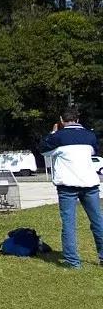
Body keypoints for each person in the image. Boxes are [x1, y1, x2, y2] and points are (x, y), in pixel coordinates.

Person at [40, 106, 103, 268]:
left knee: (69, 223)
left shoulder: (59, 137)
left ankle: (73, 262)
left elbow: (44, 150)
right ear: (78, 119)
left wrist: (53, 133)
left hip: (67, 185)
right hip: (90, 184)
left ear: (61, 120)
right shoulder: (90, 136)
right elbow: (94, 152)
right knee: (97, 221)